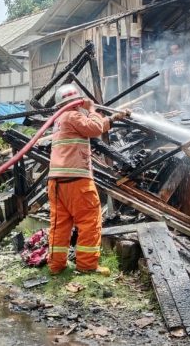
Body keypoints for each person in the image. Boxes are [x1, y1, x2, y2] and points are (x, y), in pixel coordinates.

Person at [46, 84, 130, 275]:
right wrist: (91, 109)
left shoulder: (60, 120)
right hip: (77, 181)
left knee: (60, 224)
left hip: (57, 182)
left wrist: (112, 118)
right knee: (89, 221)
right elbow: (93, 128)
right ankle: (86, 266)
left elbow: (91, 127)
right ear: (76, 102)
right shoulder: (73, 115)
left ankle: (56, 266)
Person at [163, 43, 190, 110]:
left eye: (176, 49)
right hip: (173, 83)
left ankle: (186, 114)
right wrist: (166, 84)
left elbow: (189, 68)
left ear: (179, 49)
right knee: (172, 102)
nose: (175, 51)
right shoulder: (168, 59)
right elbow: (166, 72)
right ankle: (174, 115)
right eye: (173, 49)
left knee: (187, 102)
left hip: (185, 82)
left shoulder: (185, 57)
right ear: (171, 50)